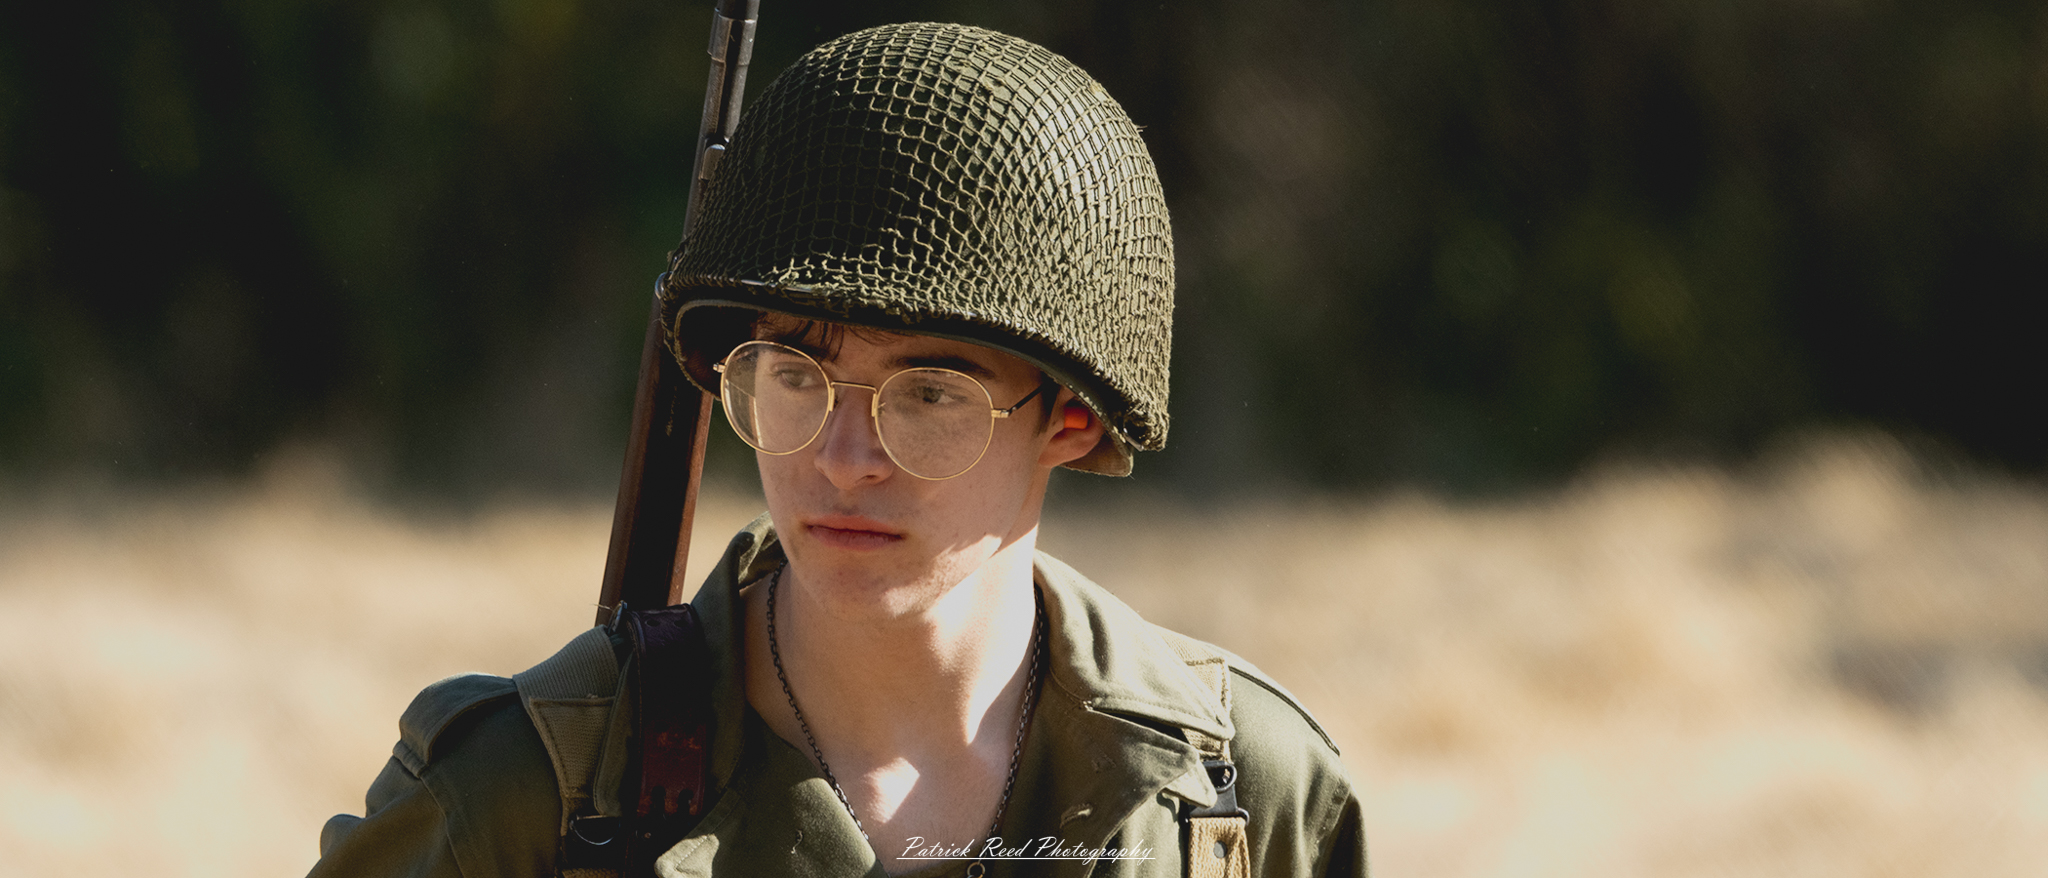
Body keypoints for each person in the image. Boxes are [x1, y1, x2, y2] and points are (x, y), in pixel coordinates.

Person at [310, 22, 1365, 878]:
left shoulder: (1235, 798)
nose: (844, 455)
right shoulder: (529, 789)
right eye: (796, 375)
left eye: (929, 392)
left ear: (1068, 419)